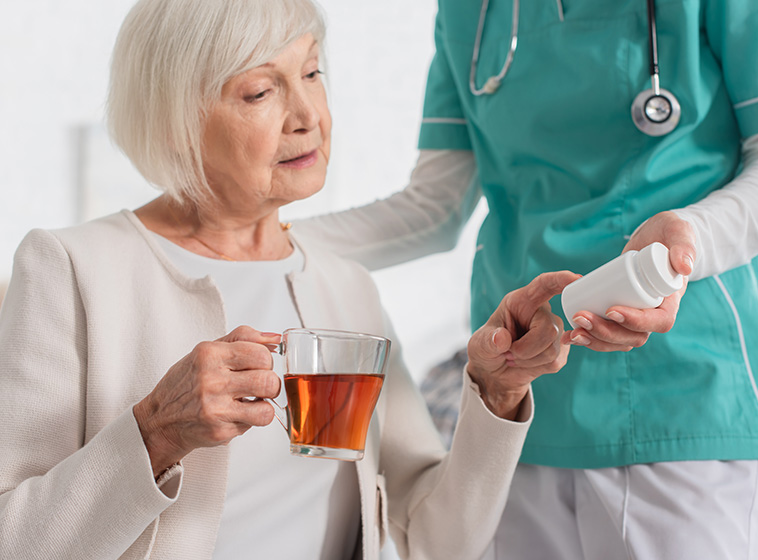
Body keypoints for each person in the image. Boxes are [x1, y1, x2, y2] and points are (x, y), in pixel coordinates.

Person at [0, 1, 579, 558]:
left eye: (311, 72)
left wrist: (497, 393)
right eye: (260, 91)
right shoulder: (70, 268)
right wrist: (155, 434)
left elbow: (437, 541)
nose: (308, 117)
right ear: (176, 121)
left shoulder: (346, 286)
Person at [295, 1, 758, 558]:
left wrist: (689, 236)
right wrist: (252, 237)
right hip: (518, 400)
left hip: (682, 398)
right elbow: (435, 205)